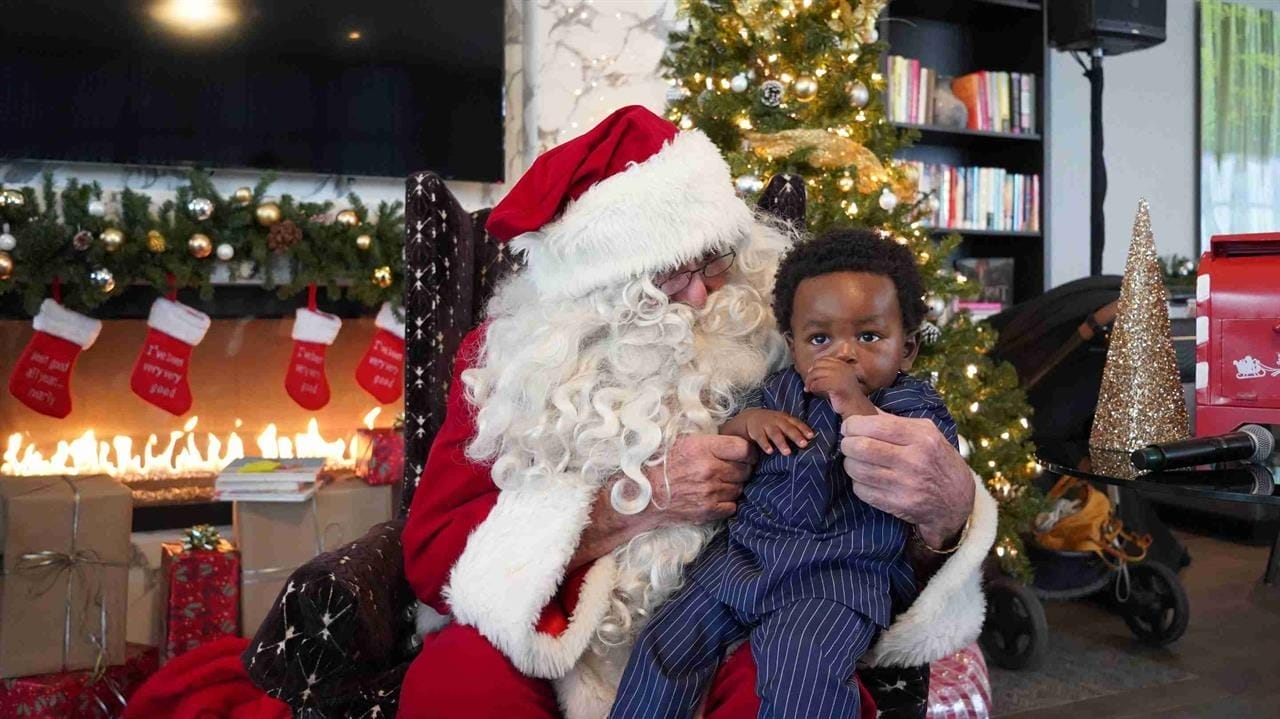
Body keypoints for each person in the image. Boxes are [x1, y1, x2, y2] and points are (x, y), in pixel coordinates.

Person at [398, 105, 997, 719]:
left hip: (753, 606)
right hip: (560, 627)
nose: (703, 293)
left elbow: (895, 441)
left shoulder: (788, 322)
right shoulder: (514, 360)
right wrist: (631, 505)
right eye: (668, 277)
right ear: (595, 289)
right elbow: (433, 552)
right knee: (455, 686)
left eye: (714, 259)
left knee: (792, 689)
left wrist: (948, 509)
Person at [609, 229, 957, 719]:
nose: (844, 353)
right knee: (665, 643)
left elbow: (899, 462)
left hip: (838, 577)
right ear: (793, 346)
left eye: (869, 336)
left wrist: (851, 401)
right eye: (820, 338)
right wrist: (747, 423)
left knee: (802, 670)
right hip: (744, 560)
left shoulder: (911, 405)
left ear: (908, 349)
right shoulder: (780, 390)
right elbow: (731, 435)